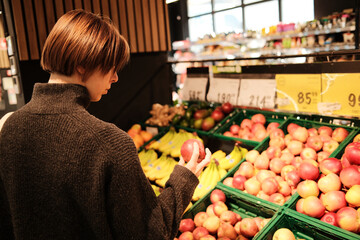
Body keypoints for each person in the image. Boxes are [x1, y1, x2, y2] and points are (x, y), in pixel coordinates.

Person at [0, 9, 211, 240]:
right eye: (112, 67)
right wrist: (184, 177)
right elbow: (152, 233)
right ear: (82, 64)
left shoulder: (10, 128)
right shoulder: (109, 143)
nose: (116, 77)